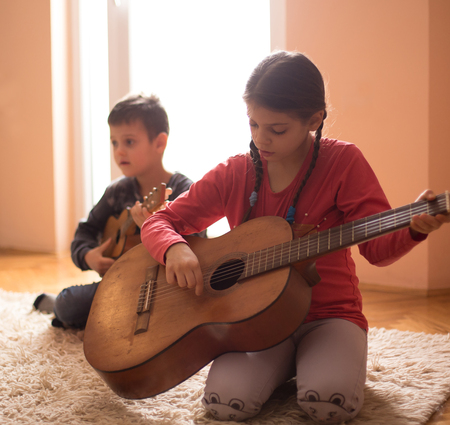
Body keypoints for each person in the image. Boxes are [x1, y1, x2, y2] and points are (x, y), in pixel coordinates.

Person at [140, 51, 450, 424]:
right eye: (253, 124)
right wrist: (173, 248)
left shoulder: (344, 162)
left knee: (328, 404)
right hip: (253, 321)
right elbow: (160, 221)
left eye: (277, 128)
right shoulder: (235, 171)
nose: (261, 138)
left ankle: (312, 360)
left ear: (314, 120)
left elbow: (376, 250)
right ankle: (285, 363)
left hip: (329, 315)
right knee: (224, 403)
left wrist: (415, 227)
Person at [34, 93, 206, 329]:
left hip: (166, 287)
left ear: (159, 143)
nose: (119, 151)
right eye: (114, 142)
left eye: (129, 142)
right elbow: (86, 231)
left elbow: (200, 244)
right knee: (69, 303)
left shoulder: (183, 190)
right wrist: (88, 256)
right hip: (121, 283)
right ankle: (65, 307)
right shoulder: (117, 191)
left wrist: (157, 226)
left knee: (184, 309)